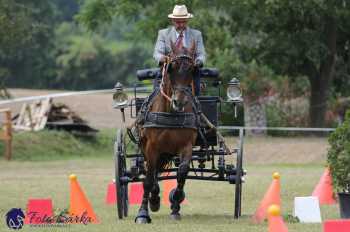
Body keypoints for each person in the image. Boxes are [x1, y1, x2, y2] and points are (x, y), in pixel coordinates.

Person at [153, 4, 206, 96]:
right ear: (173, 21)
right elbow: (157, 53)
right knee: (158, 84)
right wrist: (163, 58)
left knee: (197, 78)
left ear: (187, 20)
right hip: (170, 69)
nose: (181, 25)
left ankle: (197, 103)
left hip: (189, 71)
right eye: (178, 22)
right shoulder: (163, 34)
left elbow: (201, 54)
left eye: (184, 22)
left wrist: (198, 62)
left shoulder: (197, 35)